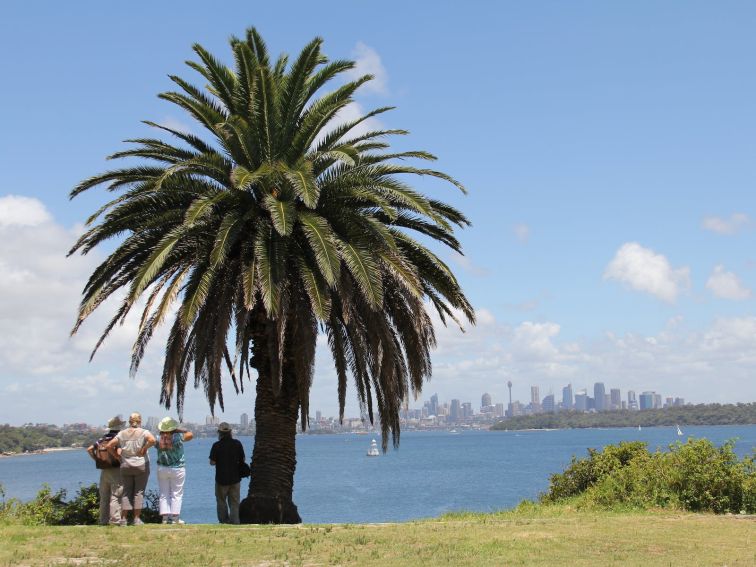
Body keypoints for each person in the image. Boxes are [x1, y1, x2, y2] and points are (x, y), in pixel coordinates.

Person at [107, 412, 155, 526]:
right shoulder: (144, 432)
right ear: (140, 421)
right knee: (139, 492)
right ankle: (136, 519)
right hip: (141, 464)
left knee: (126, 492)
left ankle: (123, 519)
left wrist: (116, 456)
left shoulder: (122, 433)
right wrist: (144, 448)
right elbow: (152, 440)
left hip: (126, 465)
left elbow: (109, 446)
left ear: (129, 422)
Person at [86, 415, 125, 526]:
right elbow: (118, 452)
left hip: (104, 470)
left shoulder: (102, 439)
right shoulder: (118, 438)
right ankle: (115, 520)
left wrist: (97, 460)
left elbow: (89, 449)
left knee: (104, 496)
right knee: (116, 496)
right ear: (119, 426)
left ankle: (103, 520)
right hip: (116, 469)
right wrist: (119, 459)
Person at [155, 416, 193, 524]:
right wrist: (179, 429)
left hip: (162, 467)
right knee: (177, 493)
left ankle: (165, 518)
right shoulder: (177, 437)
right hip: (177, 468)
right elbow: (190, 434)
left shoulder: (158, 438)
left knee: (164, 493)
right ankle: (175, 517)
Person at [209, 422, 246, 524]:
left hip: (221, 479)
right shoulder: (237, 444)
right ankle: (235, 521)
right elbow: (243, 459)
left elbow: (212, 462)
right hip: (235, 478)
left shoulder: (216, 445)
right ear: (230, 432)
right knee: (234, 502)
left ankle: (224, 521)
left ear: (219, 433)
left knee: (221, 501)